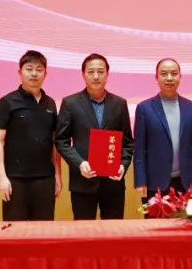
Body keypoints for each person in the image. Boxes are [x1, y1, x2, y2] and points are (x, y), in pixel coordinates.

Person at [55, 54, 134, 220]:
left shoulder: (119, 103)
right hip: (82, 182)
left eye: (100, 71)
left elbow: (127, 142)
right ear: (83, 74)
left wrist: (123, 164)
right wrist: (79, 163)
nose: (96, 76)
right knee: (83, 231)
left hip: (113, 183)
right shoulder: (70, 103)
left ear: (107, 74)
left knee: (114, 230)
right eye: (91, 72)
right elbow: (61, 141)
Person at [0, 50, 63, 221]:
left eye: (39, 69)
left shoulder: (50, 103)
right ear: (20, 72)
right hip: (15, 180)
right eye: (29, 69)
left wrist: (57, 175)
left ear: (45, 74)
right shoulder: (7, 102)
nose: (34, 74)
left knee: (43, 231)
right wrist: (1, 176)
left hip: (45, 179)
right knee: (15, 232)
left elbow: (54, 142)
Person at [133, 58, 192, 208]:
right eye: (164, 74)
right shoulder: (144, 108)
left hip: (186, 183)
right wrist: (140, 181)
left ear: (180, 77)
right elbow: (139, 150)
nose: (169, 78)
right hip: (155, 183)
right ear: (156, 78)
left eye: (174, 73)